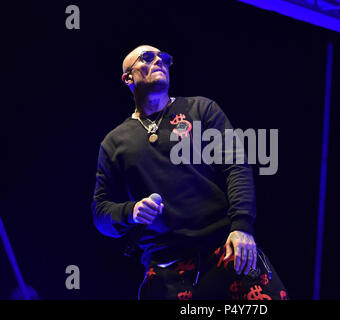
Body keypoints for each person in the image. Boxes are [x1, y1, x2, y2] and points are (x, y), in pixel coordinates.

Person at [91, 44, 289, 300]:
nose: (159, 61)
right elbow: (100, 213)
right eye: (148, 58)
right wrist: (131, 212)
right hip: (167, 270)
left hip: (225, 250)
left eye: (164, 58)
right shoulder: (114, 142)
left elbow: (236, 166)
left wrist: (242, 226)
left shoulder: (201, 110)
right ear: (128, 77)